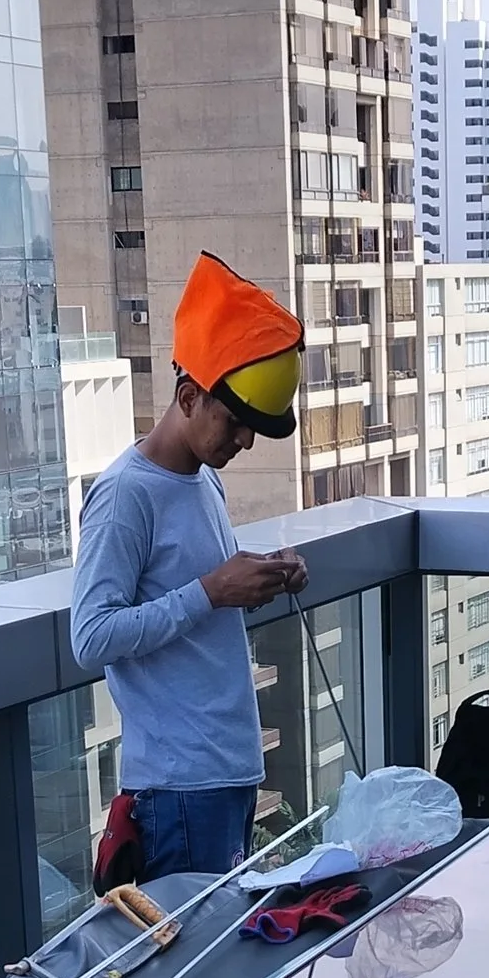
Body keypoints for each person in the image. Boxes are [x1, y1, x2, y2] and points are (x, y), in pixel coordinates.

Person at [71, 253, 309, 886]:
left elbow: (198, 600)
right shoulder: (126, 494)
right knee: (191, 977)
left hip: (225, 772)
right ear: (187, 396)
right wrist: (211, 590)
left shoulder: (203, 482)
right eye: (235, 423)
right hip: (176, 789)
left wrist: (256, 580)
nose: (245, 442)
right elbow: (91, 635)